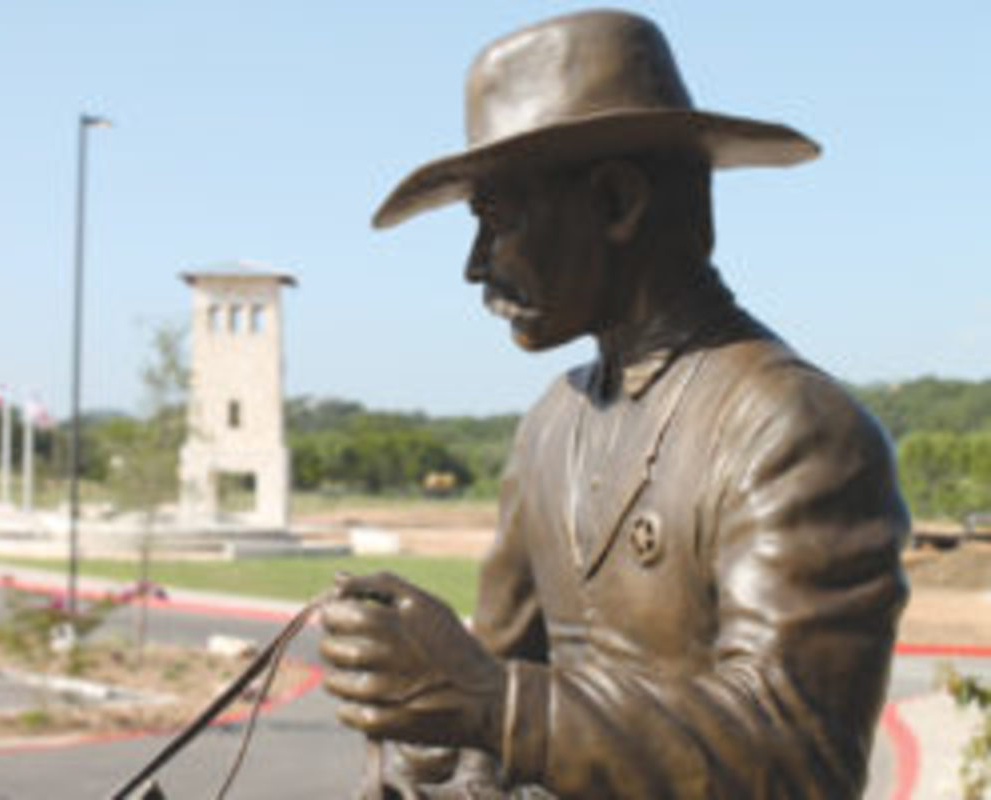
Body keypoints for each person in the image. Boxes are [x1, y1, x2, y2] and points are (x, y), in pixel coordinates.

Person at [319, 9, 909, 799]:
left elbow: (800, 753)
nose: (475, 265)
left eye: (499, 219)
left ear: (616, 202)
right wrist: (417, 729)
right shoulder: (549, 429)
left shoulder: (793, 431)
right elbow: (486, 690)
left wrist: (496, 707)